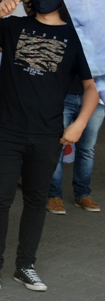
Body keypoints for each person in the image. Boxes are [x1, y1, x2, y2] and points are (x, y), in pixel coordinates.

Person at [0, 0, 98, 292]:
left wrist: (79, 123)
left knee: (36, 200)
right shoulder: (13, 26)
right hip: (6, 130)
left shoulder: (75, 37)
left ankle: (25, 265)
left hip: (48, 134)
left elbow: (92, 87)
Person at [47, 82, 104, 215]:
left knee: (87, 150)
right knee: (57, 146)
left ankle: (83, 194)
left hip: (96, 98)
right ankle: (54, 195)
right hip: (63, 94)